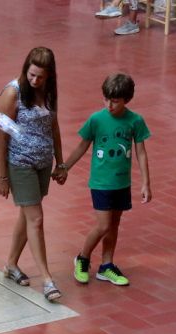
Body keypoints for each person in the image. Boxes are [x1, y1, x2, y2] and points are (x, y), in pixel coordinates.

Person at [61, 73, 151, 286]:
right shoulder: (96, 119)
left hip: (122, 183)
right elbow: (82, 145)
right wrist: (65, 167)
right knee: (103, 225)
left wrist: (146, 182)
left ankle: (106, 265)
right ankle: (82, 258)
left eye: (115, 101)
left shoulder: (135, 121)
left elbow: (141, 153)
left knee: (114, 224)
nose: (109, 105)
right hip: (101, 183)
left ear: (126, 100)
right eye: (106, 99)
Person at [0, 46, 65, 302]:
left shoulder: (48, 92)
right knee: (36, 219)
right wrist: (2, 176)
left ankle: (11, 264)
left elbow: (54, 127)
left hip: (43, 163)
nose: (34, 80)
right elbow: (1, 136)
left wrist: (61, 162)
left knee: (27, 215)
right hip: (20, 163)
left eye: (40, 77)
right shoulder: (13, 93)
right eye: (31, 74)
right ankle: (47, 279)